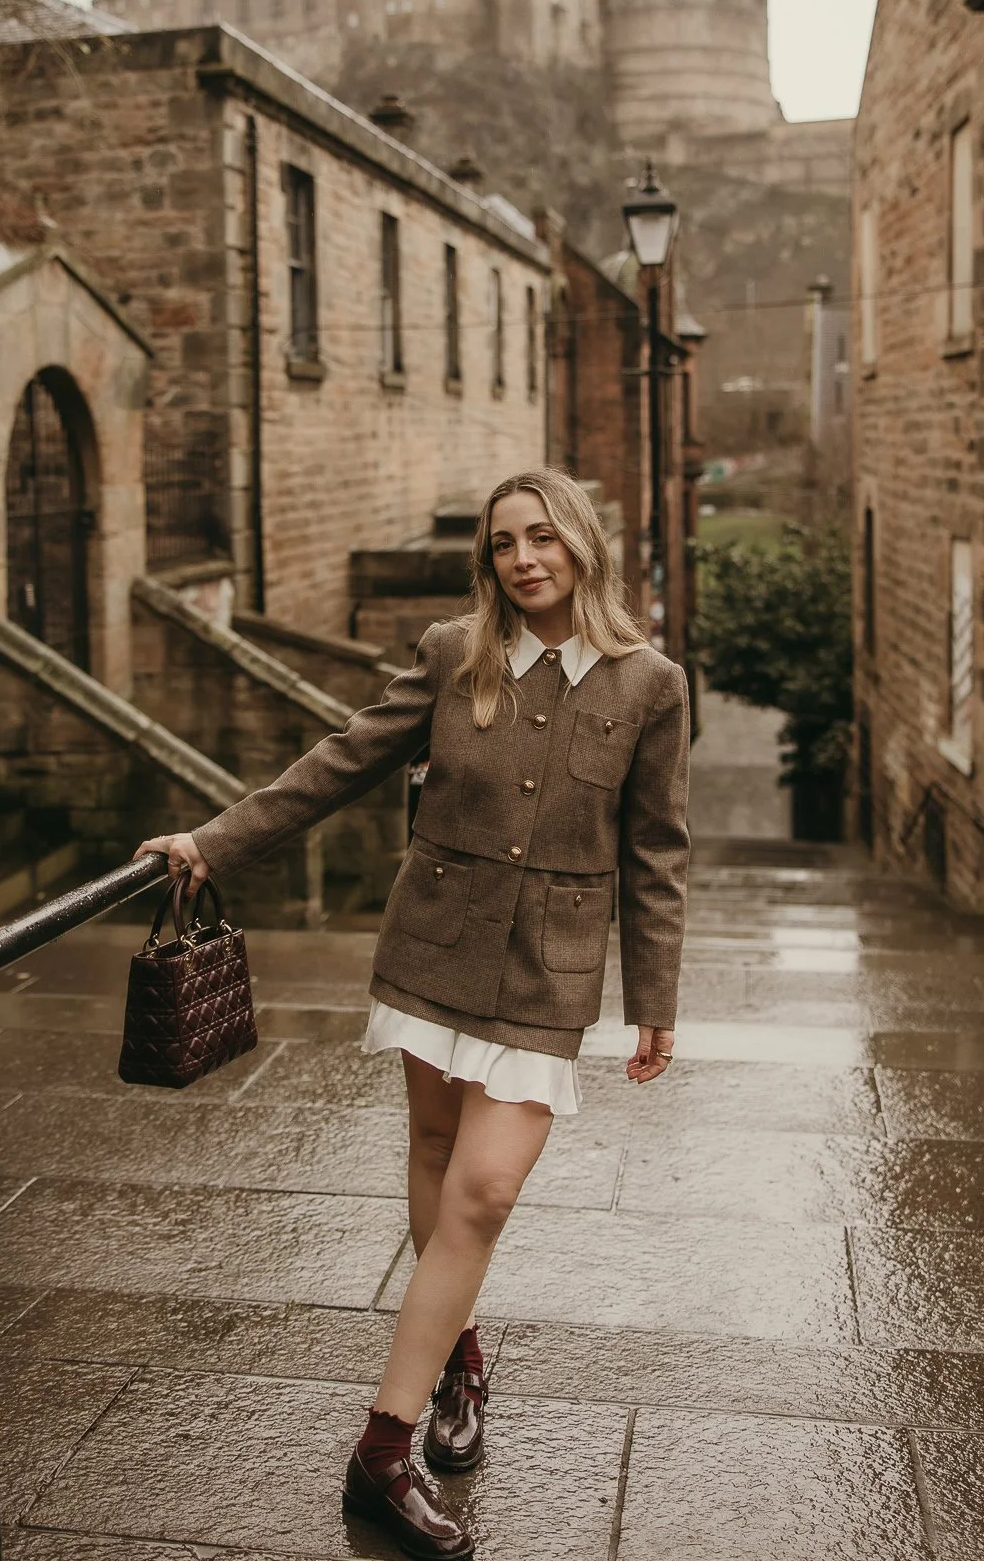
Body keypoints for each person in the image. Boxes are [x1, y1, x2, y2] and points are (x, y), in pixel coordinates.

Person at [138, 467, 690, 1560]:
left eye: (542, 537)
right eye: (502, 544)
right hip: (433, 946)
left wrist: (655, 997)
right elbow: (342, 759)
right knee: (436, 1151)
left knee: (481, 1189)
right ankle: (457, 1355)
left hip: (549, 971)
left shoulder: (650, 683)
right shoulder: (453, 653)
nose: (524, 559)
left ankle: (381, 1450)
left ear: (582, 543)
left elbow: (657, 847)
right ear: (485, 562)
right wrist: (215, 841)